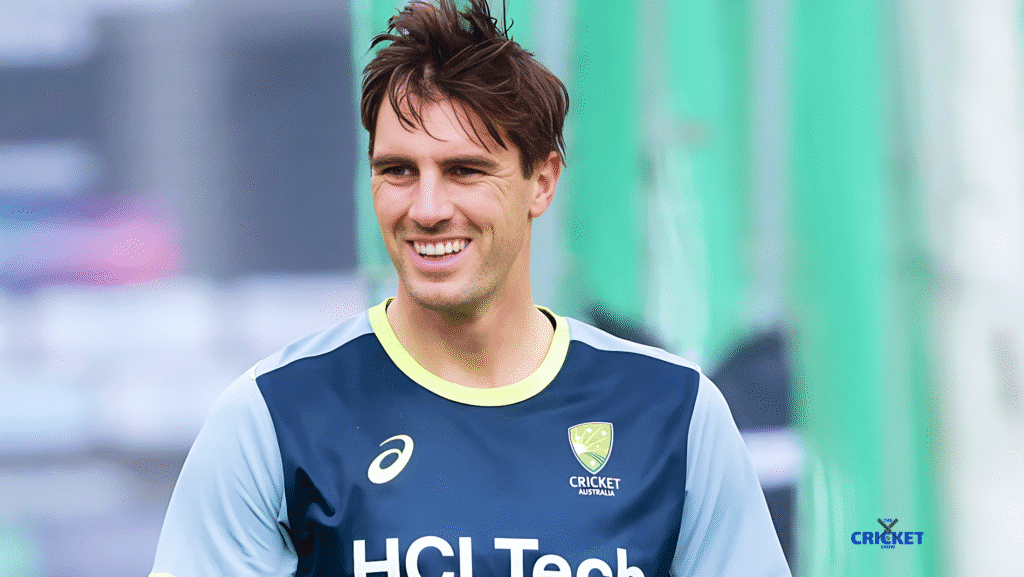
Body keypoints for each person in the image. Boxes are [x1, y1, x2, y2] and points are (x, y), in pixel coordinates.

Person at [149, 1, 791, 575]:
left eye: (464, 171)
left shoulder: (675, 412)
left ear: (542, 182)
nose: (427, 208)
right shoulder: (274, 418)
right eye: (398, 171)